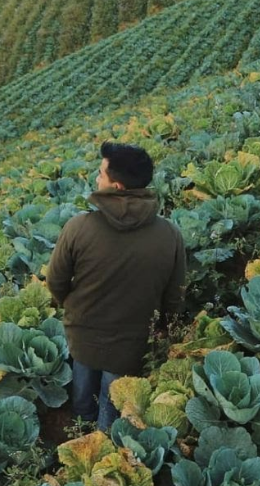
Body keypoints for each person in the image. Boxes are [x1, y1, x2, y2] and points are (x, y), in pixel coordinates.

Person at [46, 141, 186, 430]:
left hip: (83, 333)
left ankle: (79, 433)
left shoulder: (78, 227)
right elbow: (174, 296)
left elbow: (56, 281)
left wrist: (71, 306)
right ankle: (103, 448)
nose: (96, 179)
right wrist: (162, 329)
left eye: (101, 174)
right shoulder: (170, 235)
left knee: (83, 395)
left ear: (118, 187)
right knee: (112, 406)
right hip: (132, 344)